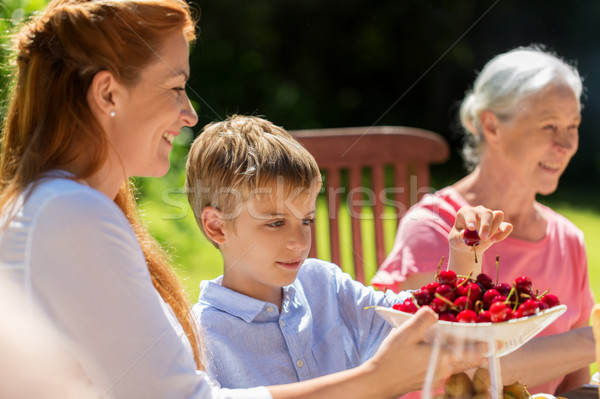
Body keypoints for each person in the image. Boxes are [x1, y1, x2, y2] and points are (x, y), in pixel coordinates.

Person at [0, 1, 488, 398]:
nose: (190, 113)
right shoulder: (70, 214)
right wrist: (374, 382)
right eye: (175, 87)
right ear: (108, 93)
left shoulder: (60, 208)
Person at [185, 114, 511, 389]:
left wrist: (464, 254)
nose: (299, 242)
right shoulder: (199, 336)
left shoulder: (324, 285)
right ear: (217, 227)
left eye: (307, 220)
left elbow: (423, 323)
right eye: (275, 223)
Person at [372, 45, 595, 395]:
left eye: (573, 126)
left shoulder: (567, 239)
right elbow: (460, 370)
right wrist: (592, 341)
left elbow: (576, 382)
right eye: (549, 125)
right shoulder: (434, 227)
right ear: (491, 125)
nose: (566, 144)